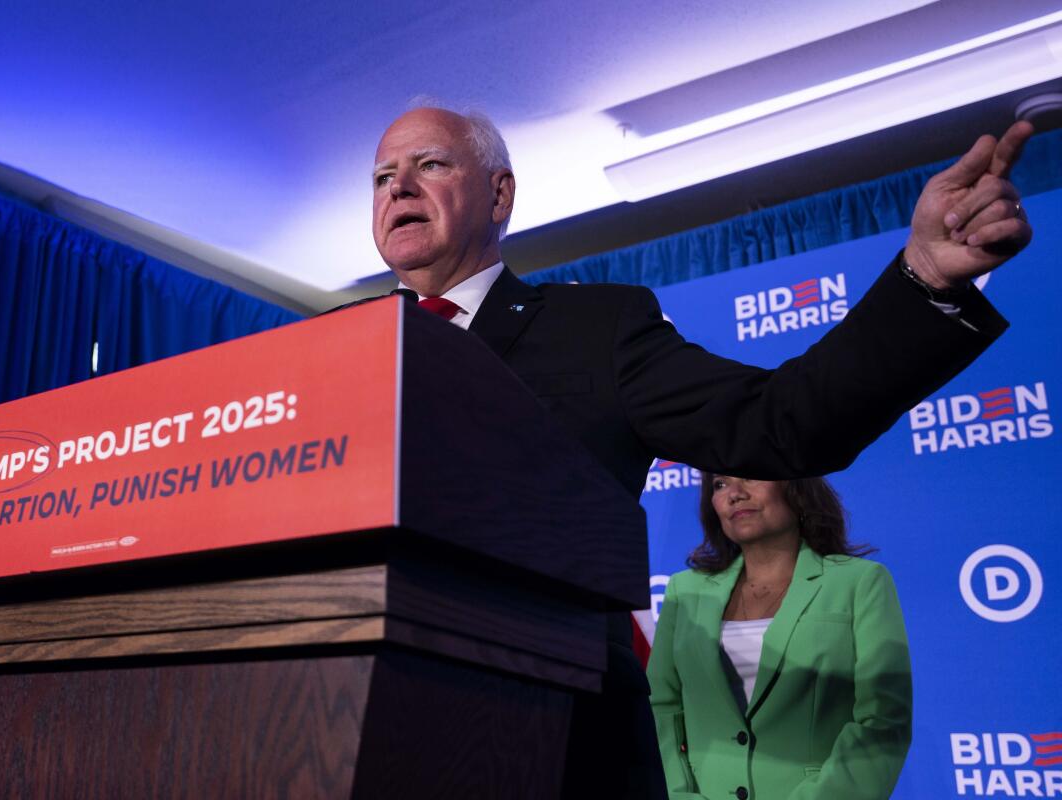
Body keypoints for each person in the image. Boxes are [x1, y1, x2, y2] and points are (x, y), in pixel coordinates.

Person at [362, 104, 1030, 798]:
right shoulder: (333, 352)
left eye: (429, 165)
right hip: (351, 722)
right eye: (383, 178)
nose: (399, 188)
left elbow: (782, 422)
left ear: (499, 194)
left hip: (556, 737)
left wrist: (925, 276)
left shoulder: (595, 331)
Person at [647, 475, 911, 799]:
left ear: (796, 486)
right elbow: (660, 709)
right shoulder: (682, 591)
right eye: (719, 485)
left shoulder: (860, 582)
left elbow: (883, 720)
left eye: (751, 476)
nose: (735, 495)